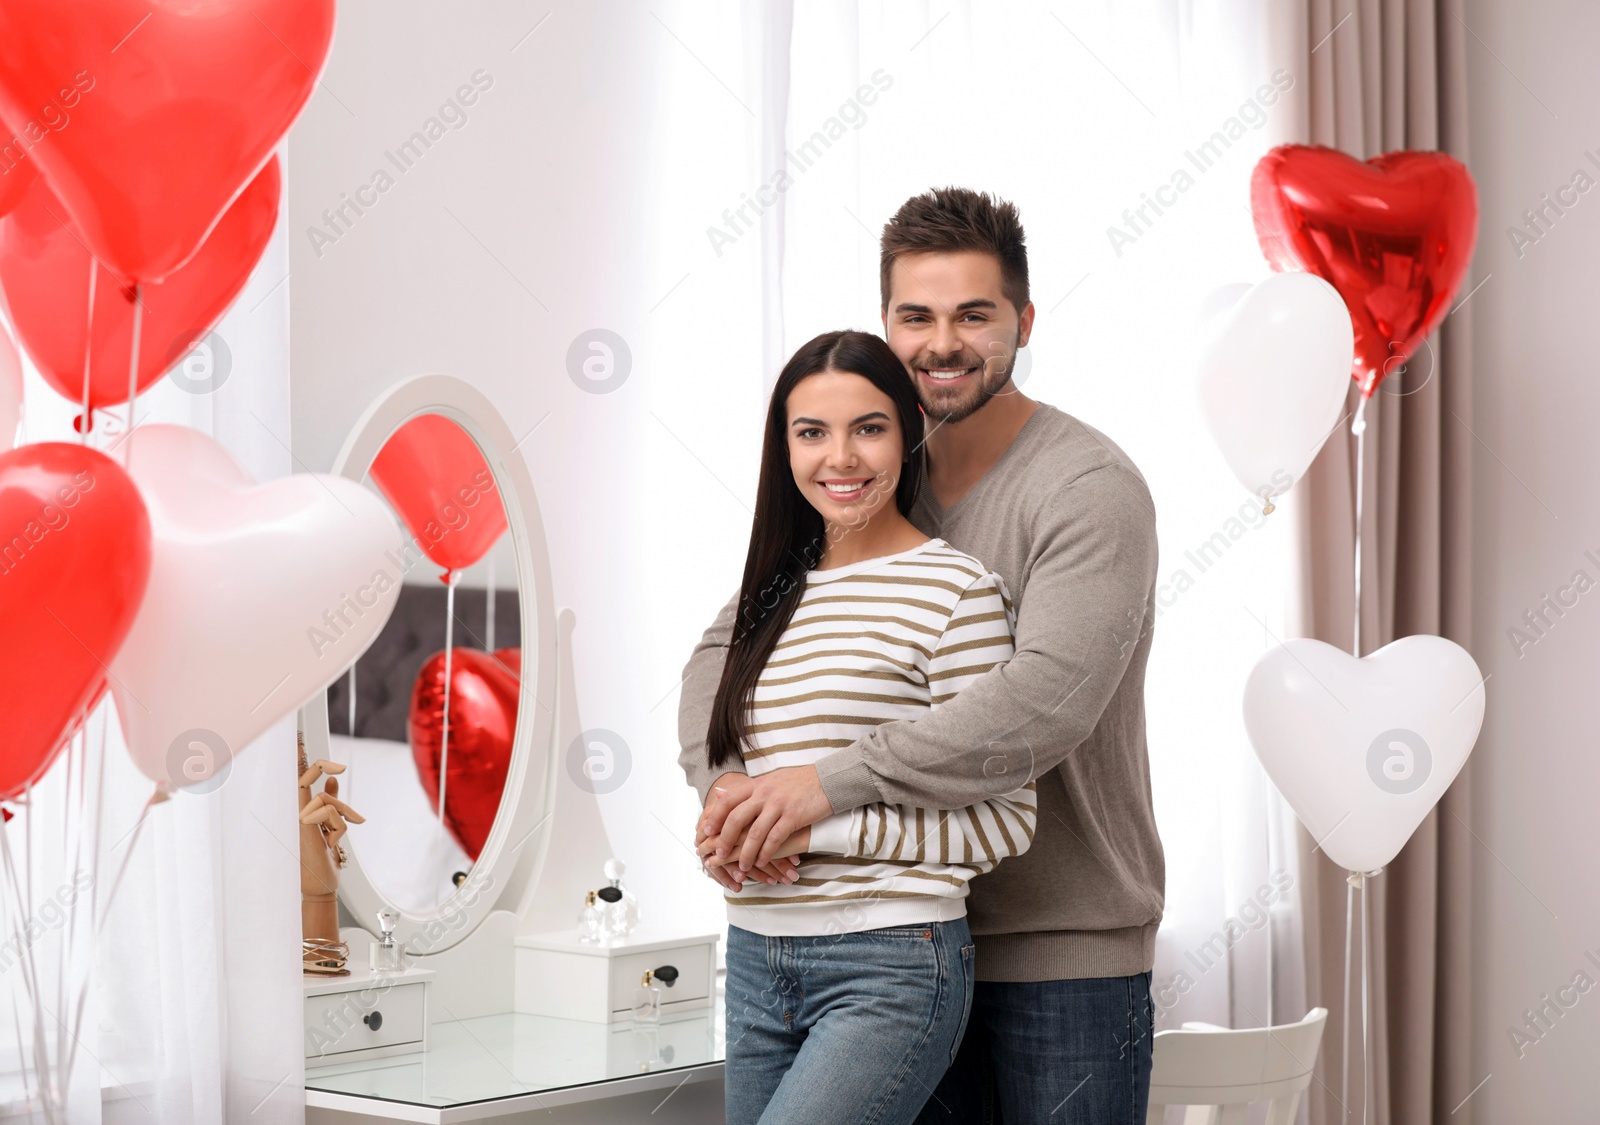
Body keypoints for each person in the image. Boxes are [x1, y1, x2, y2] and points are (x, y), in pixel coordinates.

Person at [680, 188, 1165, 1123]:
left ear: (1024, 321)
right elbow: (720, 649)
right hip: (896, 931)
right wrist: (730, 794)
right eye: (917, 316)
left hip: (1058, 944)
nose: (943, 342)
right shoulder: (871, 481)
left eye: (973, 315)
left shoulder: (1087, 488)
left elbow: (1045, 701)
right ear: (887, 328)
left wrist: (820, 787)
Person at [684, 327, 1037, 1125]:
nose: (840, 457)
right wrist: (727, 810)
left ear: (909, 431)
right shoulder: (763, 601)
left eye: (867, 428)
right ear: (784, 448)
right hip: (752, 954)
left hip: (891, 962)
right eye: (812, 432)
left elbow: (1008, 821)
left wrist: (811, 829)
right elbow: (706, 727)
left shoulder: (955, 592)